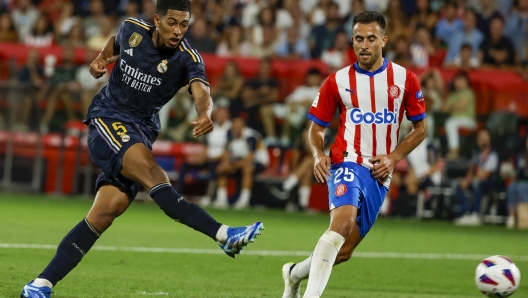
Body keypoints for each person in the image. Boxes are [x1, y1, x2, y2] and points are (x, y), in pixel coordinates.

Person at [20, 1, 264, 297]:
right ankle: (223, 234)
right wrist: (101, 59)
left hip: (141, 131)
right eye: (172, 23)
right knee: (153, 172)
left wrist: (205, 113)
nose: (178, 31)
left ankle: (40, 284)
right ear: (157, 19)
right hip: (108, 117)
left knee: (105, 213)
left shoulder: (187, 57)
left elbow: (202, 90)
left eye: (184, 25)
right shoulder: (132, 29)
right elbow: (114, 43)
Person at [281, 11, 427, 298]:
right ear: (352, 40)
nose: (364, 45)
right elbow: (316, 128)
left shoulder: (405, 79)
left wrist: (393, 158)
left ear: (383, 40)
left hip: (380, 172)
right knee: (342, 223)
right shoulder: (337, 80)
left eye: (371, 39)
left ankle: (293, 273)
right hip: (347, 159)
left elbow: (420, 129)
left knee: (344, 251)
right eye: (358, 39)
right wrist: (317, 153)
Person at [214, 115, 269, 209]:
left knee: (247, 168)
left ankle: (244, 200)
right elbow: (227, 152)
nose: (234, 127)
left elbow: (249, 158)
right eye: (233, 125)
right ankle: (221, 199)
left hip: (258, 162)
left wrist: (232, 167)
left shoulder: (252, 136)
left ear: (243, 125)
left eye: (237, 125)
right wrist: (226, 164)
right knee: (222, 167)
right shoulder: (230, 134)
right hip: (238, 161)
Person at [453, 129, 498, 226]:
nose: (481, 140)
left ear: (489, 140)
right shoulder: (477, 153)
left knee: (476, 183)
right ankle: (466, 212)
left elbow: (485, 175)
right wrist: (465, 180)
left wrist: (469, 180)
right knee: (457, 184)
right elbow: (472, 170)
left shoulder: (493, 154)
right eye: (480, 138)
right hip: (475, 180)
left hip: (488, 183)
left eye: (484, 138)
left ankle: (476, 214)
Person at [443, 71, 476, 159]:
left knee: (450, 123)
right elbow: (444, 108)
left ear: (466, 81)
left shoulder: (468, 92)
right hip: (455, 120)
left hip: (468, 120)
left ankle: (454, 151)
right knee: (449, 123)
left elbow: (461, 106)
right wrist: (453, 106)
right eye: (457, 80)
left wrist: (451, 106)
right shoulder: (452, 94)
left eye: (462, 80)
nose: (459, 83)